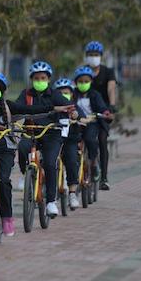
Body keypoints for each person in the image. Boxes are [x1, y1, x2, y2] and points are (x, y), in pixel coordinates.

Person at [0, 71, 56, 236]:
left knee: (3, 181)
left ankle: (7, 218)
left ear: (2, 91)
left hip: (5, 149)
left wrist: (53, 109)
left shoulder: (9, 106)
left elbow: (30, 109)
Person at [15, 61, 73, 218]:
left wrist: (72, 113)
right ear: (32, 79)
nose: (39, 81)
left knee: (49, 163)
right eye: (36, 78)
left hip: (51, 134)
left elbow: (69, 107)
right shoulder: (26, 94)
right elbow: (16, 108)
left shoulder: (54, 94)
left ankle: (51, 202)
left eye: (43, 78)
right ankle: (24, 174)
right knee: (22, 148)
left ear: (48, 79)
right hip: (31, 132)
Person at [84, 41, 117, 191]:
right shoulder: (83, 71)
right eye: (90, 55)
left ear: (101, 57)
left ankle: (104, 177)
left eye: (96, 55)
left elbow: (111, 89)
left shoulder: (108, 72)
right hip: (85, 113)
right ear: (86, 56)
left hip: (103, 112)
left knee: (102, 140)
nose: (93, 58)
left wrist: (111, 107)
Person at [73, 66, 112, 189]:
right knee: (72, 141)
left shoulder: (95, 95)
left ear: (90, 82)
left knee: (90, 139)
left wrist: (105, 112)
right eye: (80, 82)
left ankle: (94, 161)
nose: (83, 84)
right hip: (78, 124)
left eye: (86, 81)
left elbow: (102, 107)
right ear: (76, 82)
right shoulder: (73, 94)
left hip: (92, 123)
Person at [53, 77, 81, 210]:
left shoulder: (74, 106)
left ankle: (72, 193)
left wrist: (76, 117)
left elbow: (80, 115)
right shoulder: (54, 108)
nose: (64, 95)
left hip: (70, 140)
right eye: (60, 92)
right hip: (54, 139)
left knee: (71, 160)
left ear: (71, 93)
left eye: (67, 92)